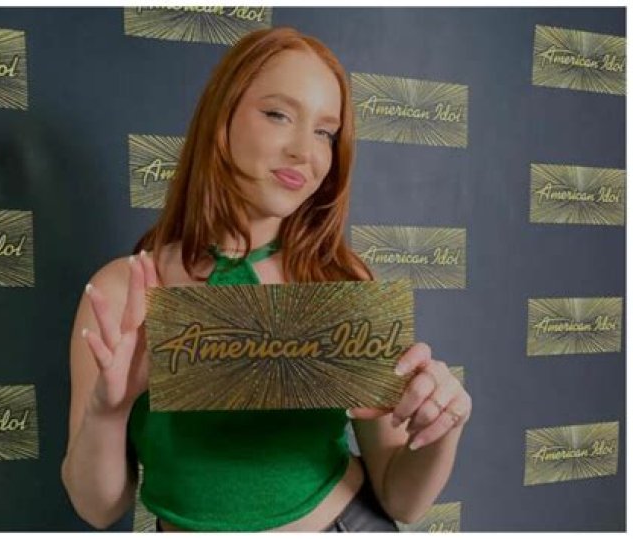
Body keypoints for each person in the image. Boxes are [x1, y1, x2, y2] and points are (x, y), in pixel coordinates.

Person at [61, 26, 472, 532]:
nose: (305, 151)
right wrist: (108, 412)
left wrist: (443, 427)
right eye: (278, 114)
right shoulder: (121, 292)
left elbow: (402, 500)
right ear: (222, 117)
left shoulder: (343, 282)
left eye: (325, 132)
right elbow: (98, 509)